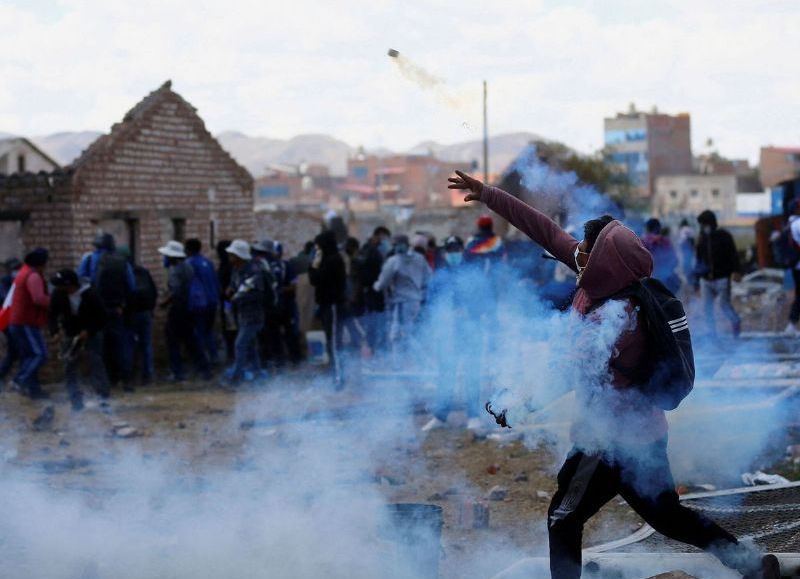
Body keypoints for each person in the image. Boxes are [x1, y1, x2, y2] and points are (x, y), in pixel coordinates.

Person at [447, 170, 778, 579]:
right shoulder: (603, 279)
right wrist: (489, 194)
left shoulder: (617, 317)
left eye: (585, 251)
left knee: (563, 517)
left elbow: (568, 371)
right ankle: (752, 565)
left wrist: (517, 405)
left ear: (605, 261)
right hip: (645, 436)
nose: (576, 255)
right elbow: (546, 232)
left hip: (607, 443)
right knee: (668, 516)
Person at [422, 236, 483, 432]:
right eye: (450, 250)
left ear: (462, 251)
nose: (453, 253)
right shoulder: (439, 277)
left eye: (456, 249)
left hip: (470, 331)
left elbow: (484, 300)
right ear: (445, 252)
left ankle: (474, 415)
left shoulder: (472, 274)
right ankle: (440, 416)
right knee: (446, 374)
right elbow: (430, 304)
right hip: (447, 332)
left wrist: (469, 312)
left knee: (472, 373)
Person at [78, 232, 136, 388]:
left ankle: (101, 382)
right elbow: (131, 286)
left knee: (97, 347)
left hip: (95, 311)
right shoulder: (122, 261)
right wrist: (121, 304)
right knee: (119, 344)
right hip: (116, 310)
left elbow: (81, 283)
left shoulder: (89, 259)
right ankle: (124, 380)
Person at [49, 269, 110, 409]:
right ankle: (75, 400)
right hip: (71, 332)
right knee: (69, 365)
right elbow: (52, 314)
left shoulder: (90, 294)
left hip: (92, 332)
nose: (58, 288)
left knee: (96, 361)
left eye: (61, 285)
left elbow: (102, 317)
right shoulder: (58, 294)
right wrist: (55, 331)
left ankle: (103, 396)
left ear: (69, 285)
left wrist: (89, 330)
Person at [373, 234, 431, 363]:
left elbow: (382, 283)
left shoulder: (393, 261)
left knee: (399, 333)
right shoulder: (420, 258)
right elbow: (428, 278)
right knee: (409, 332)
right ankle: (410, 361)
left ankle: (407, 362)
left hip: (401, 302)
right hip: (416, 301)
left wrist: (376, 286)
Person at [158, 241, 210, 382]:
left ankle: (177, 372)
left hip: (178, 309)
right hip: (190, 308)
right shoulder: (188, 266)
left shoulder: (175, 270)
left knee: (173, 341)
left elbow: (175, 291)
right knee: (191, 340)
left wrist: (164, 303)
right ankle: (204, 369)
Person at [8, 248, 51, 399]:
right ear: (42, 263)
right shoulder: (33, 276)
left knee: (29, 356)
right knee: (40, 354)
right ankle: (18, 381)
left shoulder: (24, 272)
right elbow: (38, 299)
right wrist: (53, 301)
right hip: (25, 322)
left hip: (18, 321)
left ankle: (34, 391)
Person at [252, 239, 300, 370]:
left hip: (281, 306)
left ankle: (286, 360)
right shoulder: (264, 266)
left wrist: (276, 291)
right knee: (278, 334)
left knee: (280, 334)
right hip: (277, 306)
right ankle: (284, 360)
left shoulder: (284, 265)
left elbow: (293, 285)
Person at [309, 230, 347, 389]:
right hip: (326, 305)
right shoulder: (328, 259)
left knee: (334, 343)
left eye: (318, 246)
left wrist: (314, 265)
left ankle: (339, 377)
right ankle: (336, 373)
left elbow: (316, 279)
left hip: (333, 305)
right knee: (331, 341)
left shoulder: (333, 260)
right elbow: (314, 280)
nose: (317, 249)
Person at [224, 239, 266, 386]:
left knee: (240, 344)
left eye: (232, 255)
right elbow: (234, 285)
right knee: (250, 346)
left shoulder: (253, 272)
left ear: (239, 256)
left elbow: (254, 293)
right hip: (243, 314)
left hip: (253, 315)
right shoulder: (237, 270)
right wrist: (230, 289)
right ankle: (257, 373)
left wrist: (237, 297)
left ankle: (237, 377)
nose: (229, 257)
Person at [695, 210, 742, 338]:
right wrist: (696, 282)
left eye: (704, 224)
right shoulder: (701, 239)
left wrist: (737, 271)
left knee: (724, 305)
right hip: (706, 280)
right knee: (707, 308)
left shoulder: (724, 236)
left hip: (722, 278)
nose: (703, 227)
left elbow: (733, 255)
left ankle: (735, 324)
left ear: (711, 223)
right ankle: (712, 334)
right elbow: (698, 260)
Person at [121, 247, 158, 385]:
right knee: (146, 345)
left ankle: (129, 376)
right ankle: (148, 375)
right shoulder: (143, 271)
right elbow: (154, 292)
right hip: (146, 312)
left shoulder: (123, 273)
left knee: (129, 345)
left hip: (130, 313)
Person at [185, 238, 221, 367]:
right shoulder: (208, 262)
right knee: (208, 331)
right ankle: (214, 356)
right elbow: (216, 281)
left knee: (198, 332)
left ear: (188, 249)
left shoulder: (189, 263)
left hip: (199, 304)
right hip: (212, 301)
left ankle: (202, 362)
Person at [355, 227, 391, 353]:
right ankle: (376, 346)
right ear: (377, 236)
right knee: (375, 320)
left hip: (373, 290)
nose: (384, 240)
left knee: (374, 320)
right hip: (374, 291)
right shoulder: (372, 251)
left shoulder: (369, 250)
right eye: (383, 237)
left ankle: (374, 345)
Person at [641, 218, 681, 294]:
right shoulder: (665, 241)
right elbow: (675, 261)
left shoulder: (643, 242)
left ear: (647, 229)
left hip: (650, 283)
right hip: (668, 282)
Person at [0, 258, 22, 386]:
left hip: (16, 320)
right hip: (7, 320)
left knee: (16, 351)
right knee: (16, 350)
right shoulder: (5, 282)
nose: (17, 271)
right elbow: (5, 300)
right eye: (15, 269)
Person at [216, 240, 237, 363]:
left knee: (230, 329)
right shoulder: (229, 265)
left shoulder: (227, 267)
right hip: (229, 302)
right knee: (231, 329)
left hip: (229, 303)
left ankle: (232, 356)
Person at [784, 200, 800, 335]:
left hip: (795, 265)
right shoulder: (798, 223)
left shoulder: (789, 224)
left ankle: (791, 324)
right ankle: (791, 324)